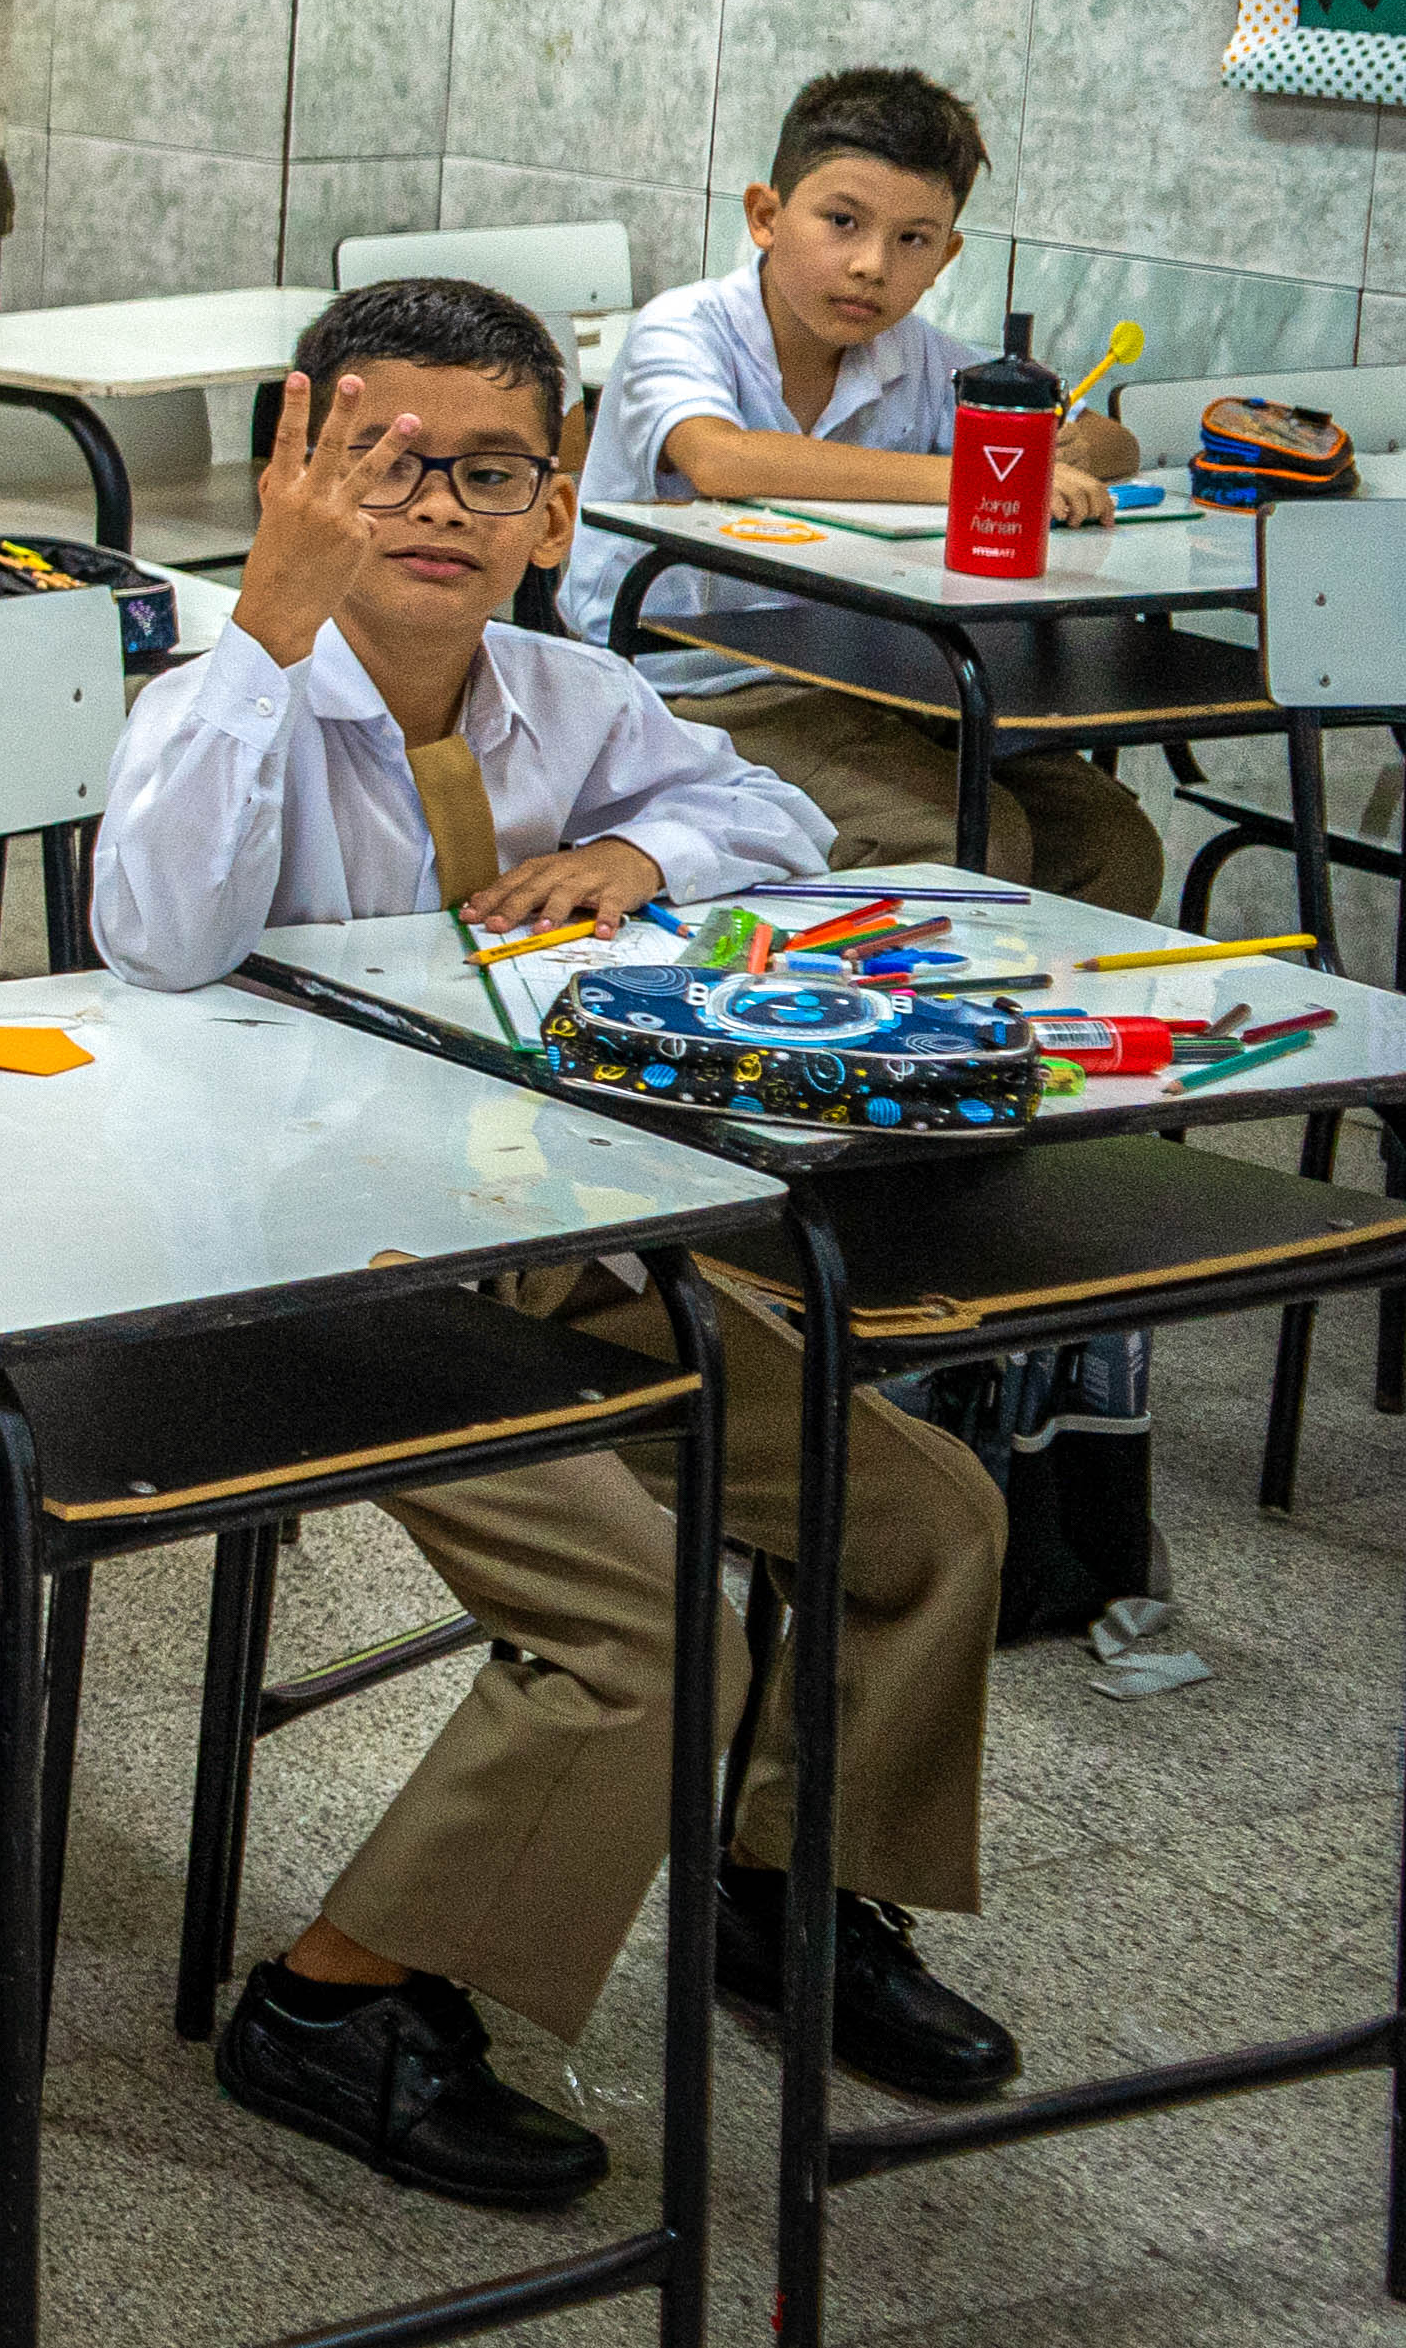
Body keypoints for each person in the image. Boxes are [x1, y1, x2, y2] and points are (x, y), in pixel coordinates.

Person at [102, 279, 1019, 2208]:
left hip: (552, 1233)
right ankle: (339, 1996)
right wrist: (267, 621)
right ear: (302, 467)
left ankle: (793, 1882)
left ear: (556, 494)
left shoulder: (572, 700)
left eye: (490, 468)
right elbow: (160, 937)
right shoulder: (226, 697)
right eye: (384, 458)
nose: (435, 502)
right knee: (641, 1622)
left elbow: (768, 815)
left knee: (923, 1520)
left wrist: (640, 857)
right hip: (321, 1271)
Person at [564, 67, 1159, 909]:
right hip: (688, 688)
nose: (871, 265)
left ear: (948, 254)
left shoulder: (924, 358)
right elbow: (723, 460)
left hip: (870, 684)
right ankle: (886, 1036)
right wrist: (970, 478)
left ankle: (1047, 1036)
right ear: (765, 217)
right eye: (841, 222)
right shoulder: (685, 326)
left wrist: (1070, 449)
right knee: (963, 835)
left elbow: (1110, 440)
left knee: (1108, 844)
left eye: (914, 239)